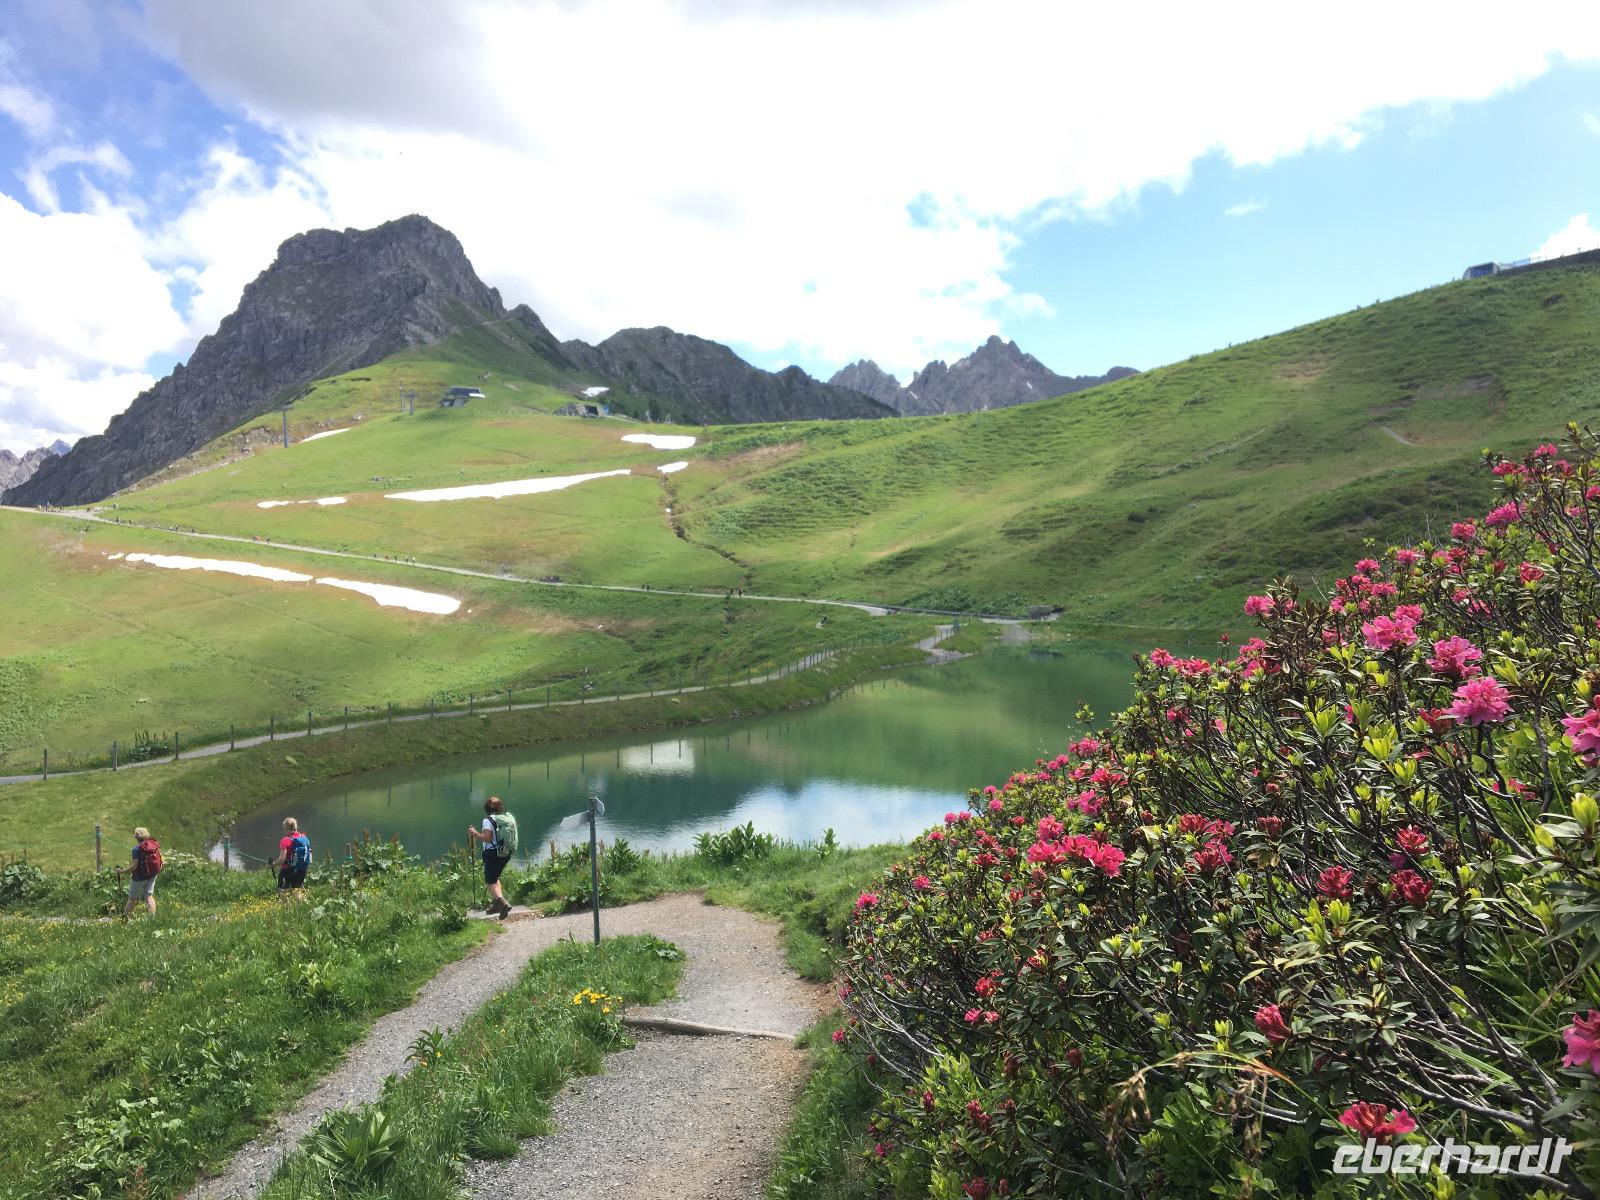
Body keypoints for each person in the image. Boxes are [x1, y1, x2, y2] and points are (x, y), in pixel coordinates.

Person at [468, 796, 517, 919]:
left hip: (492, 853)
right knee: (495, 878)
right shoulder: (505, 818)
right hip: (505, 853)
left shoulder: (487, 820)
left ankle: (502, 903)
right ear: (500, 808)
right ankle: (497, 905)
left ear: (487, 808)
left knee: (490, 881)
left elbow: (487, 838)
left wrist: (474, 833)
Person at [122, 826, 162, 919]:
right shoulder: (153, 845)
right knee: (148, 896)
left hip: (139, 877)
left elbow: (134, 866)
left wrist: (123, 871)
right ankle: (152, 918)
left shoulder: (136, 849)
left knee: (132, 899)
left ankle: (125, 919)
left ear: (136, 836)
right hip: (152, 874)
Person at [271, 817, 311, 897]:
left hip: (287, 870)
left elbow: (282, 859)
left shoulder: (285, 841)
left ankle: (284, 908)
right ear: (296, 827)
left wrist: (273, 864)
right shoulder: (303, 837)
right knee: (297, 891)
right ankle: (301, 908)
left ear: (286, 828)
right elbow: (309, 853)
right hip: (301, 868)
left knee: (283, 892)